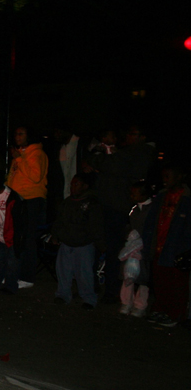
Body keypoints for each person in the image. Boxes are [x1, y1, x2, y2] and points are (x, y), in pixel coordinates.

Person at [84, 125, 155, 303]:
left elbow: (111, 165)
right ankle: (91, 286)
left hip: (117, 207)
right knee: (97, 244)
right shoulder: (124, 152)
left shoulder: (141, 153)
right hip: (105, 204)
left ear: (143, 137)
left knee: (114, 249)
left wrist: (99, 159)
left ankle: (113, 290)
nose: (128, 137)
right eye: (128, 133)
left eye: (133, 134)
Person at [141, 163, 191, 327]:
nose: (164, 180)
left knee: (176, 284)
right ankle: (160, 309)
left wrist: (185, 249)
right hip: (159, 246)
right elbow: (151, 222)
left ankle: (175, 314)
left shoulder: (186, 198)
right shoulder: (162, 195)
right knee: (160, 281)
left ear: (179, 177)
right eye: (163, 176)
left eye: (168, 176)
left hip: (177, 249)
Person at [51, 173, 105, 309]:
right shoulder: (68, 202)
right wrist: (55, 235)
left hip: (83, 245)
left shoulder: (92, 203)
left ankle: (89, 299)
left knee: (84, 274)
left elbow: (96, 226)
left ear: (85, 186)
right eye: (72, 184)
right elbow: (59, 220)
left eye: (76, 184)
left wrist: (100, 244)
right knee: (63, 272)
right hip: (66, 243)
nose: (72, 187)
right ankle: (63, 295)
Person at [6, 126, 48, 289]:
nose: (17, 137)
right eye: (16, 134)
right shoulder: (20, 154)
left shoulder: (36, 153)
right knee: (16, 238)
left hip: (31, 200)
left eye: (21, 134)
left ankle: (27, 277)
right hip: (17, 199)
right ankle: (14, 274)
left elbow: (35, 176)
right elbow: (13, 177)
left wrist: (19, 159)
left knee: (28, 239)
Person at [0, 169, 28, 294]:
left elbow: (20, 221)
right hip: (0, 234)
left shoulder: (12, 197)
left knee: (12, 263)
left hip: (12, 235)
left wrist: (18, 238)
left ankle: (10, 286)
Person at [119, 181, 154, 317]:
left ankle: (140, 305)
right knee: (128, 275)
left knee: (143, 278)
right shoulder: (134, 209)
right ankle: (126, 302)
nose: (132, 196)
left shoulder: (152, 209)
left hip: (144, 248)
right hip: (131, 248)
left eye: (135, 193)